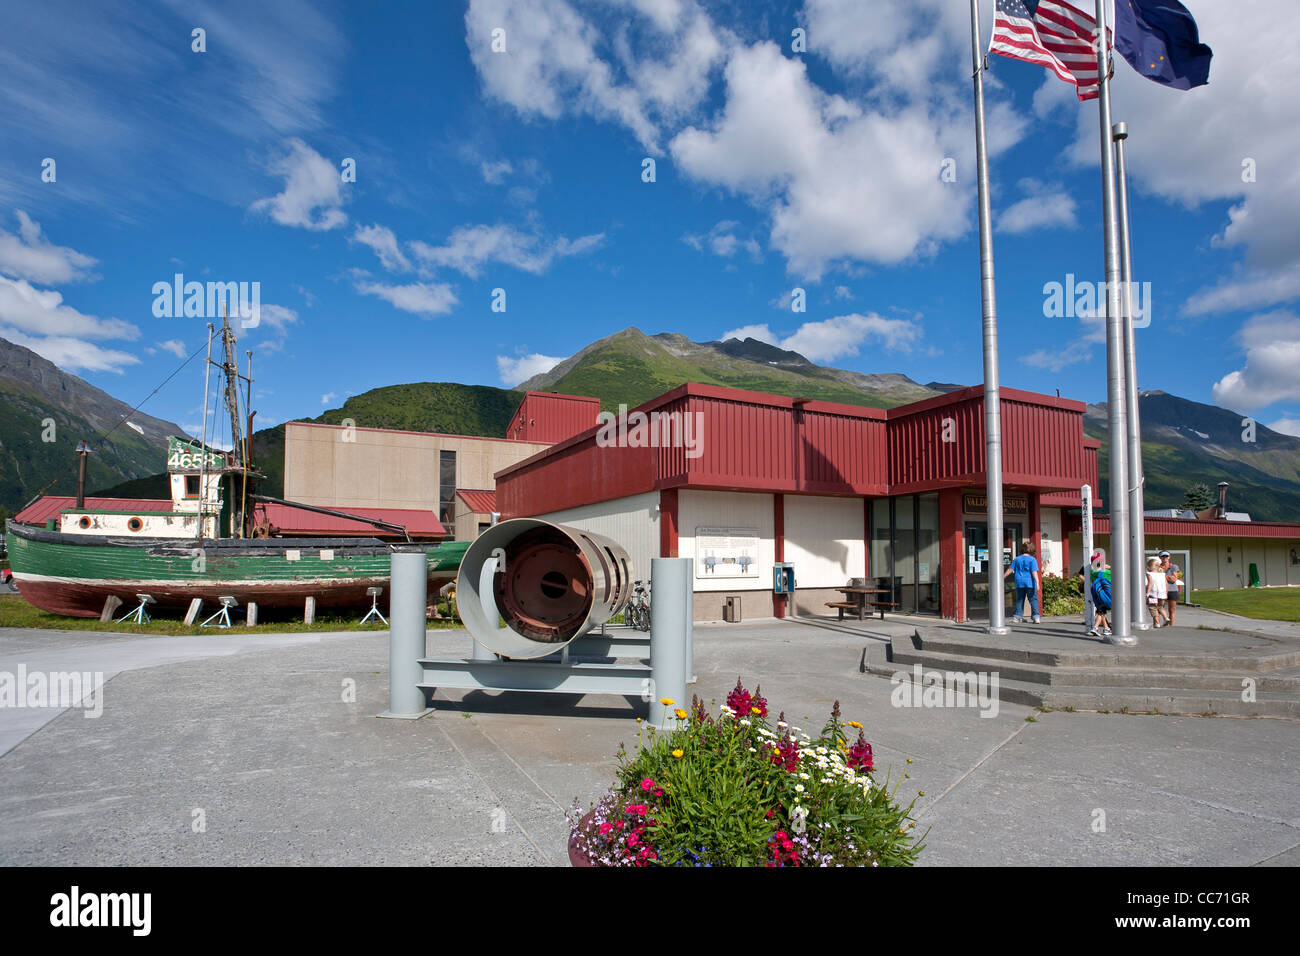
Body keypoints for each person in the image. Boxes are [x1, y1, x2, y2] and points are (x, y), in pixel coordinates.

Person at [1004, 540, 1040, 623]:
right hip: (1030, 583)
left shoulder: (1017, 559)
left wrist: (1003, 577)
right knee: (1033, 600)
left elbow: (1010, 569)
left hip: (1019, 583)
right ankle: (1036, 616)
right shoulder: (1032, 560)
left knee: (1020, 599)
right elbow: (1034, 572)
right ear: (1032, 550)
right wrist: (1037, 582)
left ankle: (1017, 616)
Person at [1088, 552, 1112, 637]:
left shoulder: (1092, 572)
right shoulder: (1107, 572)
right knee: (1101, 612)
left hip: (1097, 594)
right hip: (1107, 595)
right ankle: (1095, 628)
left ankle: (1106, 629)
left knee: (1101, 612)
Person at [1145, 556, 1168, 627]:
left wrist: (1147, 593)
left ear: (1149, 567)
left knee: (1153, 608)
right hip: (1162, 594)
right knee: (1160, 607)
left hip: (1153, 594)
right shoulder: (1162, 574)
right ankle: (1166, 617)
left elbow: (1150, 584)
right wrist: (1166, 593)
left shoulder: (1149, 574)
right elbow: (1166, 584)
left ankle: (1157, 623)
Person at [1160, 551, 1181, 627]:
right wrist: (1168, 577)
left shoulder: (1173, 567)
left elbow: (1173, 579)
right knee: (1158, 609)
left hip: (1172, 590)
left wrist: (1162, 576)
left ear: (1169, 557)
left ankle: (1171, 627)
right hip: (1161, 590)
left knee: (1172, 610)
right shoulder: (1157, 566)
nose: (1164, 558)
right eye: (1163, 556)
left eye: (1166, 556)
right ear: (1160, 557)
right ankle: (1158, 625)